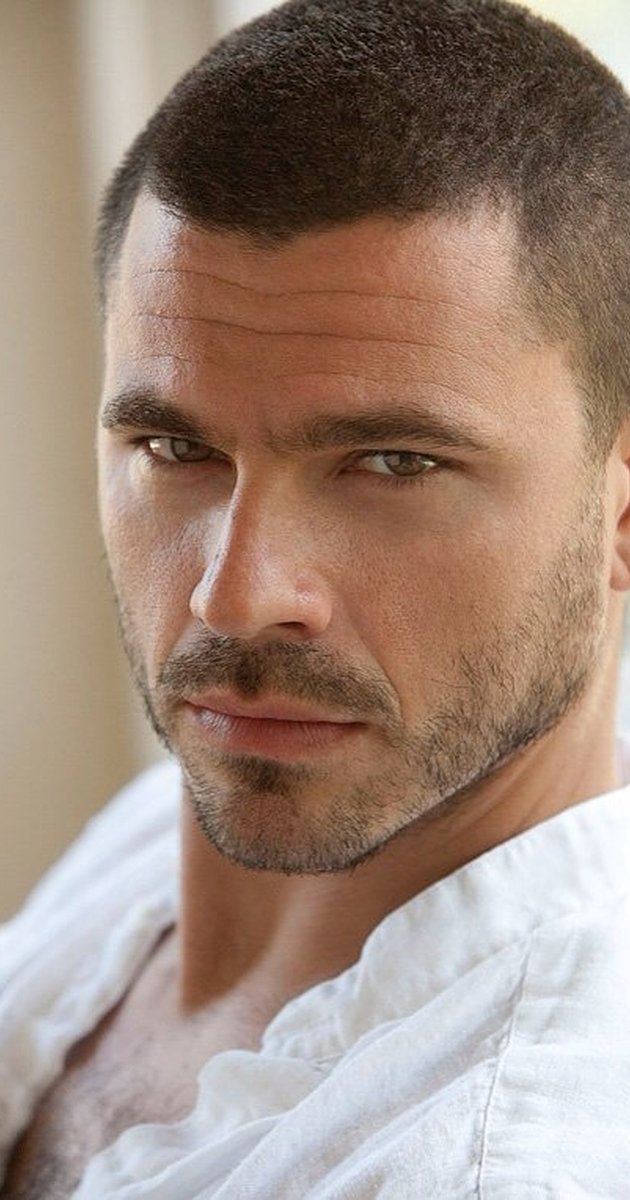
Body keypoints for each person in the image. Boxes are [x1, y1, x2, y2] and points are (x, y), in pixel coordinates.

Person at [2, 0, 630, 1194]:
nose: (233, 599)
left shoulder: (499, 1162)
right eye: (175, 448)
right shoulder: (167, 826)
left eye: (393, 463)